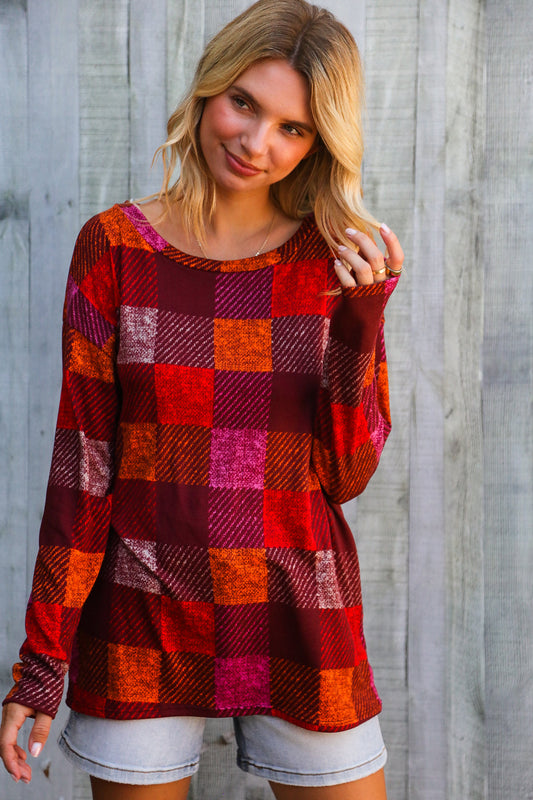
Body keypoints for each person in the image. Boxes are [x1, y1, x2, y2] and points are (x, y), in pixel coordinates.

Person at [0, 0, 404, 797]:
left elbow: (346, 475)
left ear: (318, 142)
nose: (255, 142)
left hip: (297, 613)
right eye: (244, 103)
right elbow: (84, 468)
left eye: (292, 128)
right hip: (140, 615)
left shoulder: (334, 263)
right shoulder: (114, 247)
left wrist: (360, 322)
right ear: (209, 88)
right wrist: (41, 662)